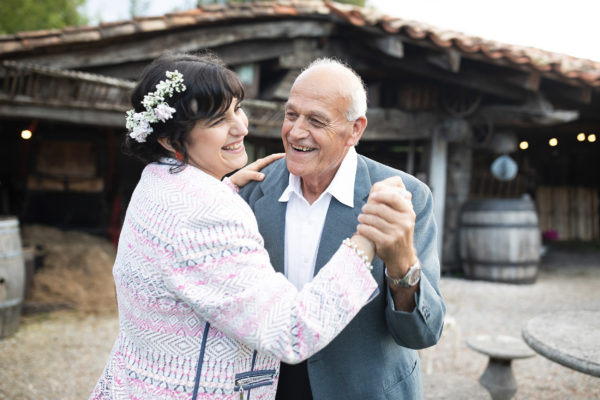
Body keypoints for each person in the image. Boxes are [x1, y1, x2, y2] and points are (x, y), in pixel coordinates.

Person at [90, 53, 381, 400]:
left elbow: (185, 248)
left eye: (236, 109)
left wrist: (221, 188)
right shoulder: (208, 212)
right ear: (169, 139)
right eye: (217, 120)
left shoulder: (155, 182)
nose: (241, 126)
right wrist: (366, 241)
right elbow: (290, 331)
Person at [240, 58, 446, 399]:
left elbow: (422, 334)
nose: (295, 131)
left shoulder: (406, 198)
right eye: (291, 115)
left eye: (316, 120)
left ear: (355, 129)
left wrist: (401, 264)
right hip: (266, 387)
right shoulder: (249, 191)